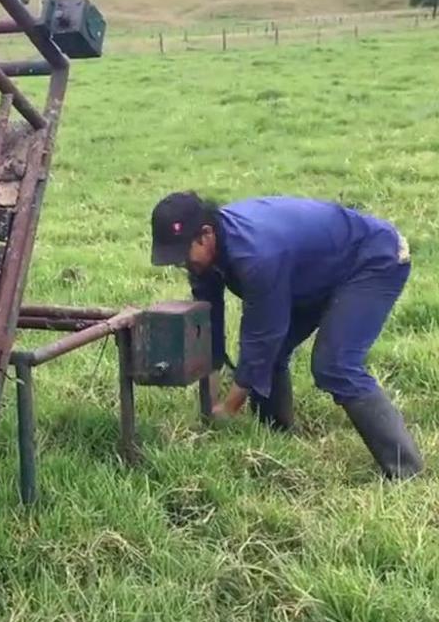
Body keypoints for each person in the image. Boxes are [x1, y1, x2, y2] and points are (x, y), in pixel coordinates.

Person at [149, 191, 423, 479]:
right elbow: (209, 319)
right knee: (274, 354)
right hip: (316, 270)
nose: (182, 265)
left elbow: (262, 337)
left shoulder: (256, 255)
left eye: (182, 257)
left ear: (205, 235)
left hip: (373, 259)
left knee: (335, 366)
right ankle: (276, 435)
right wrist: (210, 390)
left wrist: (228, 409)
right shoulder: (209, 253)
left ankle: (407, 470)